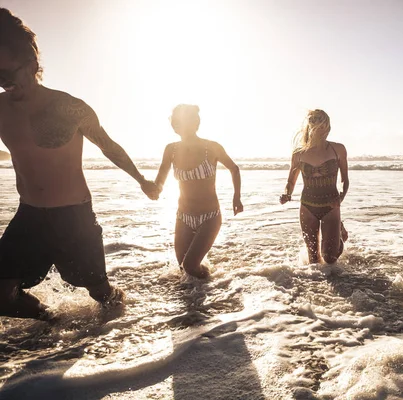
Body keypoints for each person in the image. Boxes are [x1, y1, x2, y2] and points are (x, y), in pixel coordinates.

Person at [0, 9, 158, 320]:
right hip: (29, 214)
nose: (4, 83)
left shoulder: (70, 108)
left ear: (32, 65)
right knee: (0, 294)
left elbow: (108, 146)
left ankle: (125, 323)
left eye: (8, 73)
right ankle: (51, 319)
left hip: (74, 216)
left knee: (99, 292)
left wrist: (141, 179)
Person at [151, 104, 243, 279]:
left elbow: (234, 169)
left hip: (210, 216)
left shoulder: (212, 147)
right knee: (182, 269)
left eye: (183, 121)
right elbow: (160, 179)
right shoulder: (171, 149)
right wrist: (155, 190)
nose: (178, 125)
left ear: (195, 123)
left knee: (190, 266)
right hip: (183, 216)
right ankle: (198, 301)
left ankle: (213, 282)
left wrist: (236, 197)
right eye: (176, 122)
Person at [280, 109, 349, 264]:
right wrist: (287, 194)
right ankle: (315, 288)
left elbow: (345, 180)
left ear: (327, 126)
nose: (317, 124)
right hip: (307, 206)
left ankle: (338, 230)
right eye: (313, 120)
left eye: (321, 121)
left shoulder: (338, 149)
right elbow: (291, 181)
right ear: (309, 125)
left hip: (331, 205)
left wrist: (341, 197)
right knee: (314, 259)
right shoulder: (298, 153)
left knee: (330, 258)